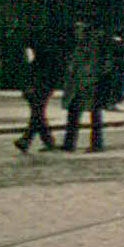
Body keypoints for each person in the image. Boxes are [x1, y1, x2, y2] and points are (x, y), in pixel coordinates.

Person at [13, 25, 63, 152]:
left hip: (39, 85)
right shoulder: (49, 51)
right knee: (38, 113)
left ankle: (28, 140)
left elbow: (32, 69)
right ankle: (43, 141)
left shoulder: (39, 53)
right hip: (44, 84)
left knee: (37, 113)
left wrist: (29, 85)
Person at [61, 21, 107, 153]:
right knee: (73, 114)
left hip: (89, 84)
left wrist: (92, 78)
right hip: (77, 85)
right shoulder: (79, 46)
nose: (77, 33)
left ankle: (96, 143)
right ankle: (69, 143)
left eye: (79, 30)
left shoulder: (92, 46)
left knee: (94, 115)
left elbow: (96, 65)